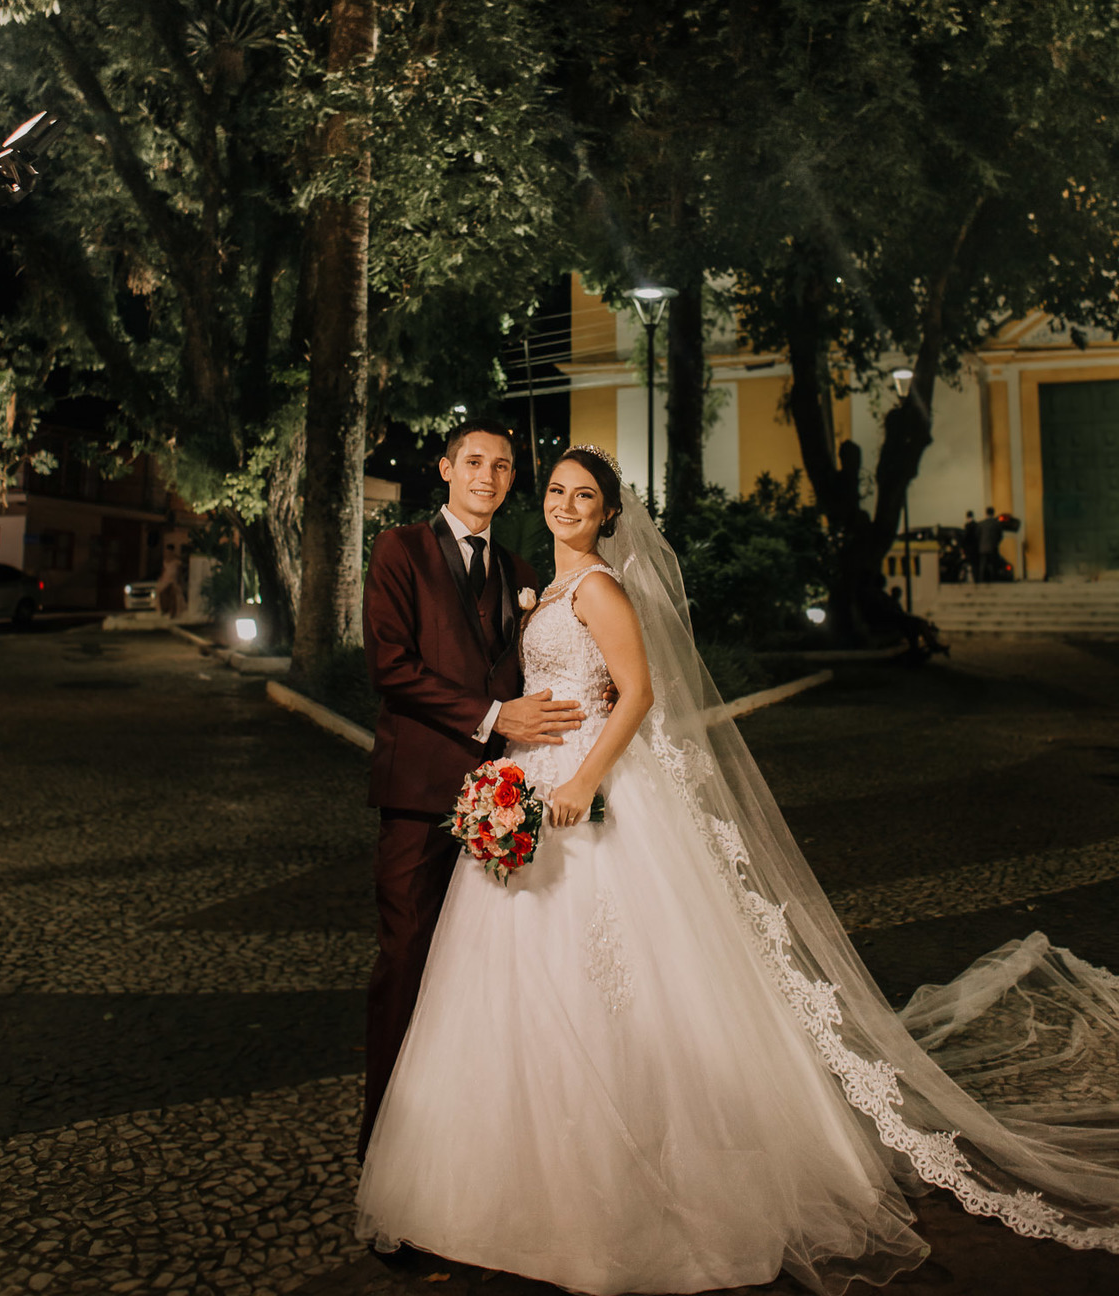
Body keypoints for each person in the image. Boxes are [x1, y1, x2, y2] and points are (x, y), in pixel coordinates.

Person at [357, 446, 1119, 1294]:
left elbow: (637, 693)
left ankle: (617, 1181)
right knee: (485, 980)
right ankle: (485, 1169)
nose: (562, 503)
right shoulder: (518, 576)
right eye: (556, 490)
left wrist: (582, 777)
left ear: (609, 514)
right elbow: (445, 668)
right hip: (515, 780)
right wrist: (516, 744)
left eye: (584, 495)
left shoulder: (589, 584)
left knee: (610, 981)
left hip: (577, 787)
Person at [357, 418, 583, 1161]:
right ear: (447, 469)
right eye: (475, 461)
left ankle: (469, 1150)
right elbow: (390, 665)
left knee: (488, 972)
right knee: (406, 961)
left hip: (504, 798)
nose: (489, 475)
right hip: (420, 792)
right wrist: (492, 715)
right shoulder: (399, 549)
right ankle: (384, 1147)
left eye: (503, 466)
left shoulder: (520, 569)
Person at [977, 505, 1004, 582]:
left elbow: (977, 535)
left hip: (983, 548)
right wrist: (995, 543)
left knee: (983, 565)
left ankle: (981, 580)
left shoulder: (981, 524)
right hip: (993, 548)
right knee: (993, 565)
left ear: (986, 513)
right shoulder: (997, 524)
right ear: (993, 513)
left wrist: (981, 543)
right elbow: (1000, 536)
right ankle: (994, 580)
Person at [962, 510, 980, 582]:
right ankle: (976, 578)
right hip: (976, 549)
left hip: (969, 550)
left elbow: (965, 538)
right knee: (975, 565)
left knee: (969, 564)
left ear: (967, 517)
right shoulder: (976, 525)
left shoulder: (967, 526)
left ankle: (969, 579)